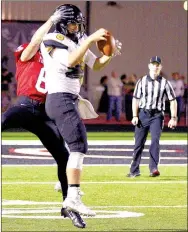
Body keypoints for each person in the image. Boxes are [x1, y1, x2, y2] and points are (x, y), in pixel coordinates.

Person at [1, 7, 86, 229]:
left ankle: (70, 205)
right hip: (26, 104)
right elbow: (32, 46)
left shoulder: (60, 57)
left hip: (47, 111)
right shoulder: (32, 52)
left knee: (64, 156)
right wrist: (50, 21)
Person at [40, 4, 122, 216]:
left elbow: (95, 65)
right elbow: (69, 61)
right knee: (78, 144)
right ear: (62, 25)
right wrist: (89, 40)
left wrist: (111, 54)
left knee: (72, 146)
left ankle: (67, 184)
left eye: (79, 24)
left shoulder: (74, 41)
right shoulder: (53, 40)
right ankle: (72, 197)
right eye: (73, 24)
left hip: (68, 99)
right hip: (59, 98)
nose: (77, 28)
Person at [126, 56, 177, 178]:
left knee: (155, 140)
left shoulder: (165, 82)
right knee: (138, 143)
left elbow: (173, 100)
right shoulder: (142, 81)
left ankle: (153, 168)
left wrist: (174, 117)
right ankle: (134, 170)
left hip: (157, 115)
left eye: (157, 64)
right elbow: (136, 99)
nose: (155, 66)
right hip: (143, 114)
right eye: (153, 64)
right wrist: (135, 115)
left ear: (160, 67)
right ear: (149, 66)